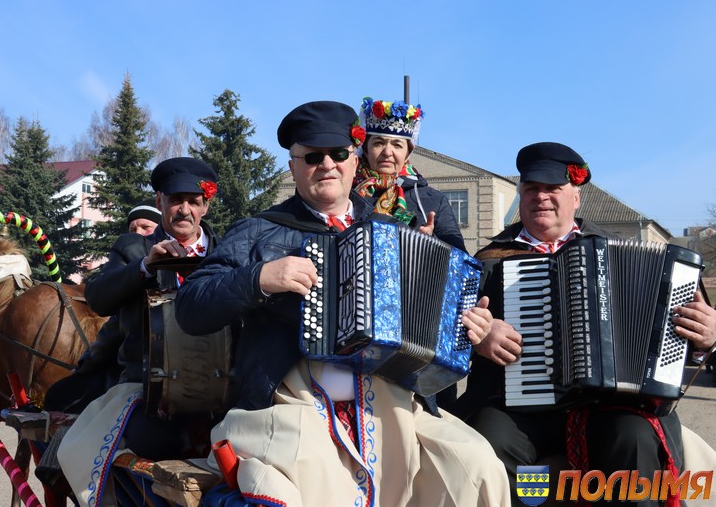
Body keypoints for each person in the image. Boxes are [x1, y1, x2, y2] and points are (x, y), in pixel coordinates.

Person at [176, 100, 510, 506]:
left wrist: (471, 326)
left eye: (338, 154)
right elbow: (191, 307)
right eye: (312, 157)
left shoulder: (391, 231)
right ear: (293, 167)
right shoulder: (259, 230)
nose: (327, 165)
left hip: (391, 398)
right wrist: (260, 278)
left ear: (355, 162)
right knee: (315, 474)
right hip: (294, 397)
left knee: (476, 466)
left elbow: (439, 318)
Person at [453, 142, 716, 505]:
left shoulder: (615, 250)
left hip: (607, 404)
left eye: (553, 189)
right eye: (532, 188)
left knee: (635, 438)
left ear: (576, 198)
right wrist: (479, 336)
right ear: (520, 195)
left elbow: (681, 334)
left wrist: (707, 335)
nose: (541, 197)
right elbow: (447, 335)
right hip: (516, 406)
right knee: (487, 444)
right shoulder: (487, 261)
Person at [54, 157, 221, 505]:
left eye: (194, 201)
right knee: (151, 443)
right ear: (160, 201)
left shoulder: (226, 251)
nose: (184, 210)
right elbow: (98, 298)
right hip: (147, 389)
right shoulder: (132, 249)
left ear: (206, 205)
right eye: (176, 200)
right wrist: (145, 266)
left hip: (220, 390)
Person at [353, 96, 465, 250]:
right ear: (365, 149)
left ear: (408, 153)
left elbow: (462, 260)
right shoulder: (347, 195)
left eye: (397, 145)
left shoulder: (433, 200)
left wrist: (432, 241)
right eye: (378, 143)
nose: (387, 152)